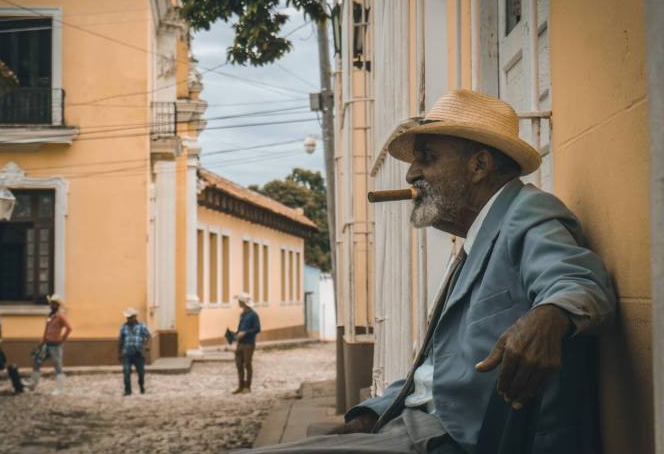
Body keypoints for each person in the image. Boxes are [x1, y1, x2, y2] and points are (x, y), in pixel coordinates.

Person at [242, 90, 616, 454]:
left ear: (479, 166)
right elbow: (438, 372)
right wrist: (370, 416)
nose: (411, 174)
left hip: (455, 438)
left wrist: (549, 317)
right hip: (413, 424)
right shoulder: (478, 239)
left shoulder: (527, 213)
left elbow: (579, 282)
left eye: (427, 158)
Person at [27, 294, 72, 395]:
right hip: (46, 343)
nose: (50, 305)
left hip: (56, 345)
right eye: (50, 303)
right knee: (37, 361)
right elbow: (46, 330)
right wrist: (41, 341)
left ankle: (60, 389)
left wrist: (62, 339)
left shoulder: (60, 316)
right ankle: (32, 384)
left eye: (53, 304)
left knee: (57, 366)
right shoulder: (50, 316)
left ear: (57, 305)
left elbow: (69, 328)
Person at [232, 292, 261, 394]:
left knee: (247, 365)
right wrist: (234, 335)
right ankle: (240, 385)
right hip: (240, 343)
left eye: (239, 301)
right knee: (239, 364)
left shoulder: (253, 315)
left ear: (243, 302)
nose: (238, 303)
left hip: (249, 344)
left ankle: (247, 386)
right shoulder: (242, 315)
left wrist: (245, 333)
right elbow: (240, 329)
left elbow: (257, 329)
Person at [118, 308, 151, 396]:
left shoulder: (142, 326)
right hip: (127, 353)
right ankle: (128, 390)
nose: (128, 319)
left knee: (141, 372)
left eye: (130, 317)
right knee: (126, 372)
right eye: (127, 318)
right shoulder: (123, 327)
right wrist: (119, 353)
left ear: (135, 317)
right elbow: (120, 340)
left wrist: (145, 345)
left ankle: (141, 386)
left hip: (138, 353)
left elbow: (148, 336)